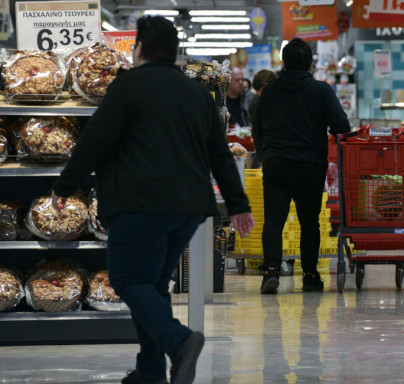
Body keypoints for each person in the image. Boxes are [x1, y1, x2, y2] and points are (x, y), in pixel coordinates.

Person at [50, 16, 255, 384]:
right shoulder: (196, 93)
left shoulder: (128, 86)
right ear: (175, 51)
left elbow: (95, 140)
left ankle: (180, 342)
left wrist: (64, 187)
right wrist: (238, 205)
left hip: (140, 204)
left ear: (139, 49)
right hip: (189, 208)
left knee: (128, 280)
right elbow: (220, 154)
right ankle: (149, 373)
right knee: (153, 286)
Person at [253, 38, 350, 294]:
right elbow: (341, 125)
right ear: (309, 63)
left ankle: (271, 270)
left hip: (276, 164)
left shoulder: (270, 92)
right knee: (310, 223)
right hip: (310, 165)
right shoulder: (321, 90)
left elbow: (256, 128)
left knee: (274, 220)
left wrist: (267, 156)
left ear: (283, 63)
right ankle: (310, 275)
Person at [247, 69, 279, 169]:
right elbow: (256, 133)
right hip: (266, 153)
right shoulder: (255, 103)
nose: (264, 99)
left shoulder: (285, 101)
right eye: (260, 95)